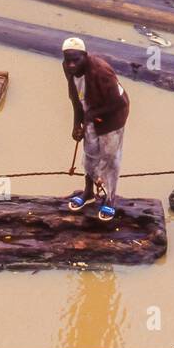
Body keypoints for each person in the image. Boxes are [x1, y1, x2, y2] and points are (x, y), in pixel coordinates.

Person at [61, 36, 130, 222]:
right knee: (90, 154)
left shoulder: (101, 71)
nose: (72, 65)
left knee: (109, 158)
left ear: (85, 56)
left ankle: (110, 199)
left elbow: (118, 101)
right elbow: (76, 98)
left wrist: (91, 115)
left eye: (76, 60)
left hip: (112, 117)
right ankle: (88, 192)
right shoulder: (67, 67)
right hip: (90, 112)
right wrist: (77, 123)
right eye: (68, 60)